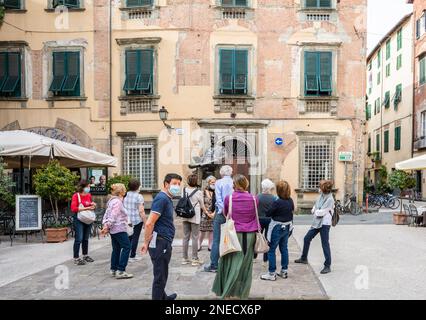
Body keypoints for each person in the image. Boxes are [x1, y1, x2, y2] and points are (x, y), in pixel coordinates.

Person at [212, 174, 259, 299]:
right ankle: (241, 293)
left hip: (233, 233)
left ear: (234, 185)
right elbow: (255, 214)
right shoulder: (254, 198)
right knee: (246, 263)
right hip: (250, 235)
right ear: (246, 184)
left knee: (229, 261)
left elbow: (226, 213)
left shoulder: (229, 198)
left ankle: (227, 292)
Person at [141, 173, 182, 300]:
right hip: (160, 242)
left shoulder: (166, 198)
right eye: (174, 183)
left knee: (161, 272)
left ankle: (163, 297)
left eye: (179, 184)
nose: (177, 186)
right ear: (166, 184)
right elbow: (149, 223)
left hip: (162, 240)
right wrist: (145, 242)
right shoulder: (162, 199)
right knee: (160, 276)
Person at [295, 180, 335, 274]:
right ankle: (304, 258)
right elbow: (315, 207)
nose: (318, 188)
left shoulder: (330, 199)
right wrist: (316, 210)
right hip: (317, 222)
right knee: (306, 238)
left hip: (325, 223)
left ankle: (327, 265)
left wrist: (316, 210)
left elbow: (320, 212)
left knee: (325, 244)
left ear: (323, 189)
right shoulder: (321, 196)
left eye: (320, 187)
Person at [261, 181, 294, 281]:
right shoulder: (290, 200)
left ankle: (271, 273)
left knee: (271, 250)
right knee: (284, 249)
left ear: (279, 190)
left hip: (277, 227)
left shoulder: (277, 202)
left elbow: (268, 213)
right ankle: (284, 271)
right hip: (287, 226)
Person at [204, 165, 234, 273]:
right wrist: (230, 213)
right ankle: (229, 265)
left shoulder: (218, 183)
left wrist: (223, 212)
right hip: (233, 214)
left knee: (216, 239)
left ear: (221, 173)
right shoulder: (234, 182)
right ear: (231, 173)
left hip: (221, 213)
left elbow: (219, 199)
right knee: (231, 238)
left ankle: (214, 265)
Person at [101, 183, 133, 279]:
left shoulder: (111, 201)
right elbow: (113, 215)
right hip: (119, 228)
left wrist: (106, 225)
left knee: (116, 248)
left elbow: (106, 214)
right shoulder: (118, 202)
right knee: (127, 247)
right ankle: (121, 270)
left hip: (113, 229)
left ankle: (113, 269)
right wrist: (107, 226)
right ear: (122, 192)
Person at [181, 174, 206, 266]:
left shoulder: (183, 190)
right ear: (196, 182)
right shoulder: (198, 192)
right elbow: (202, 205)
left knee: (185, 237)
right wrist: (208, 213)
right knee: (195, 237)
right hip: (194, 216)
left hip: (185, 215)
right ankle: (195, 259)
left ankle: (184, 258)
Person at [70, 180, 96, 265]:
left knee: (85, 238)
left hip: (87, 219)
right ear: (83, 187)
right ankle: (76, 258)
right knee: (79, 238)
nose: (89, 188)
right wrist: (87, 208)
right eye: (88, 186)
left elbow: (89, 204)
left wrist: (93, 205)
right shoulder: (76, 196)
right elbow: (74, 208)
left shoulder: (88, 195)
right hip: (79, 219)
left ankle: (85, 255)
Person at [124, 178, 147, 262]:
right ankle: (132, 255)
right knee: (135, 238)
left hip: (127, 219)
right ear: (138, 186)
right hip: (137, 220)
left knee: (129, 237)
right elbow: (141, 211)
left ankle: (127, 254)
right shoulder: (139, 196)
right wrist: (145, 222)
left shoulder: (125, 194)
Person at [255, 179, 276, 264]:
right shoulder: (274, 198)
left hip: (259, 219)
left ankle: (254, 256)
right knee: (268, 239)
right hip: (270, 220)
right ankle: (265, 259)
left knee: (256, 238)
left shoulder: (257, 197)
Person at [199, 176, 216, 252]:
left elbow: (218, 203)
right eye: (212, 182)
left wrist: (213, 213)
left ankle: (210, 245)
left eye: (215, 182)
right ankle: (199, 244)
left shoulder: (216, 191)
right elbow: (201, 203)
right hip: (205, 213)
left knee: (211, 230)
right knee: (202, 230)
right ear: (208, 183)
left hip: (213, 213)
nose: (214, 184)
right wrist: (206, 212)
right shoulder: (203, 191)